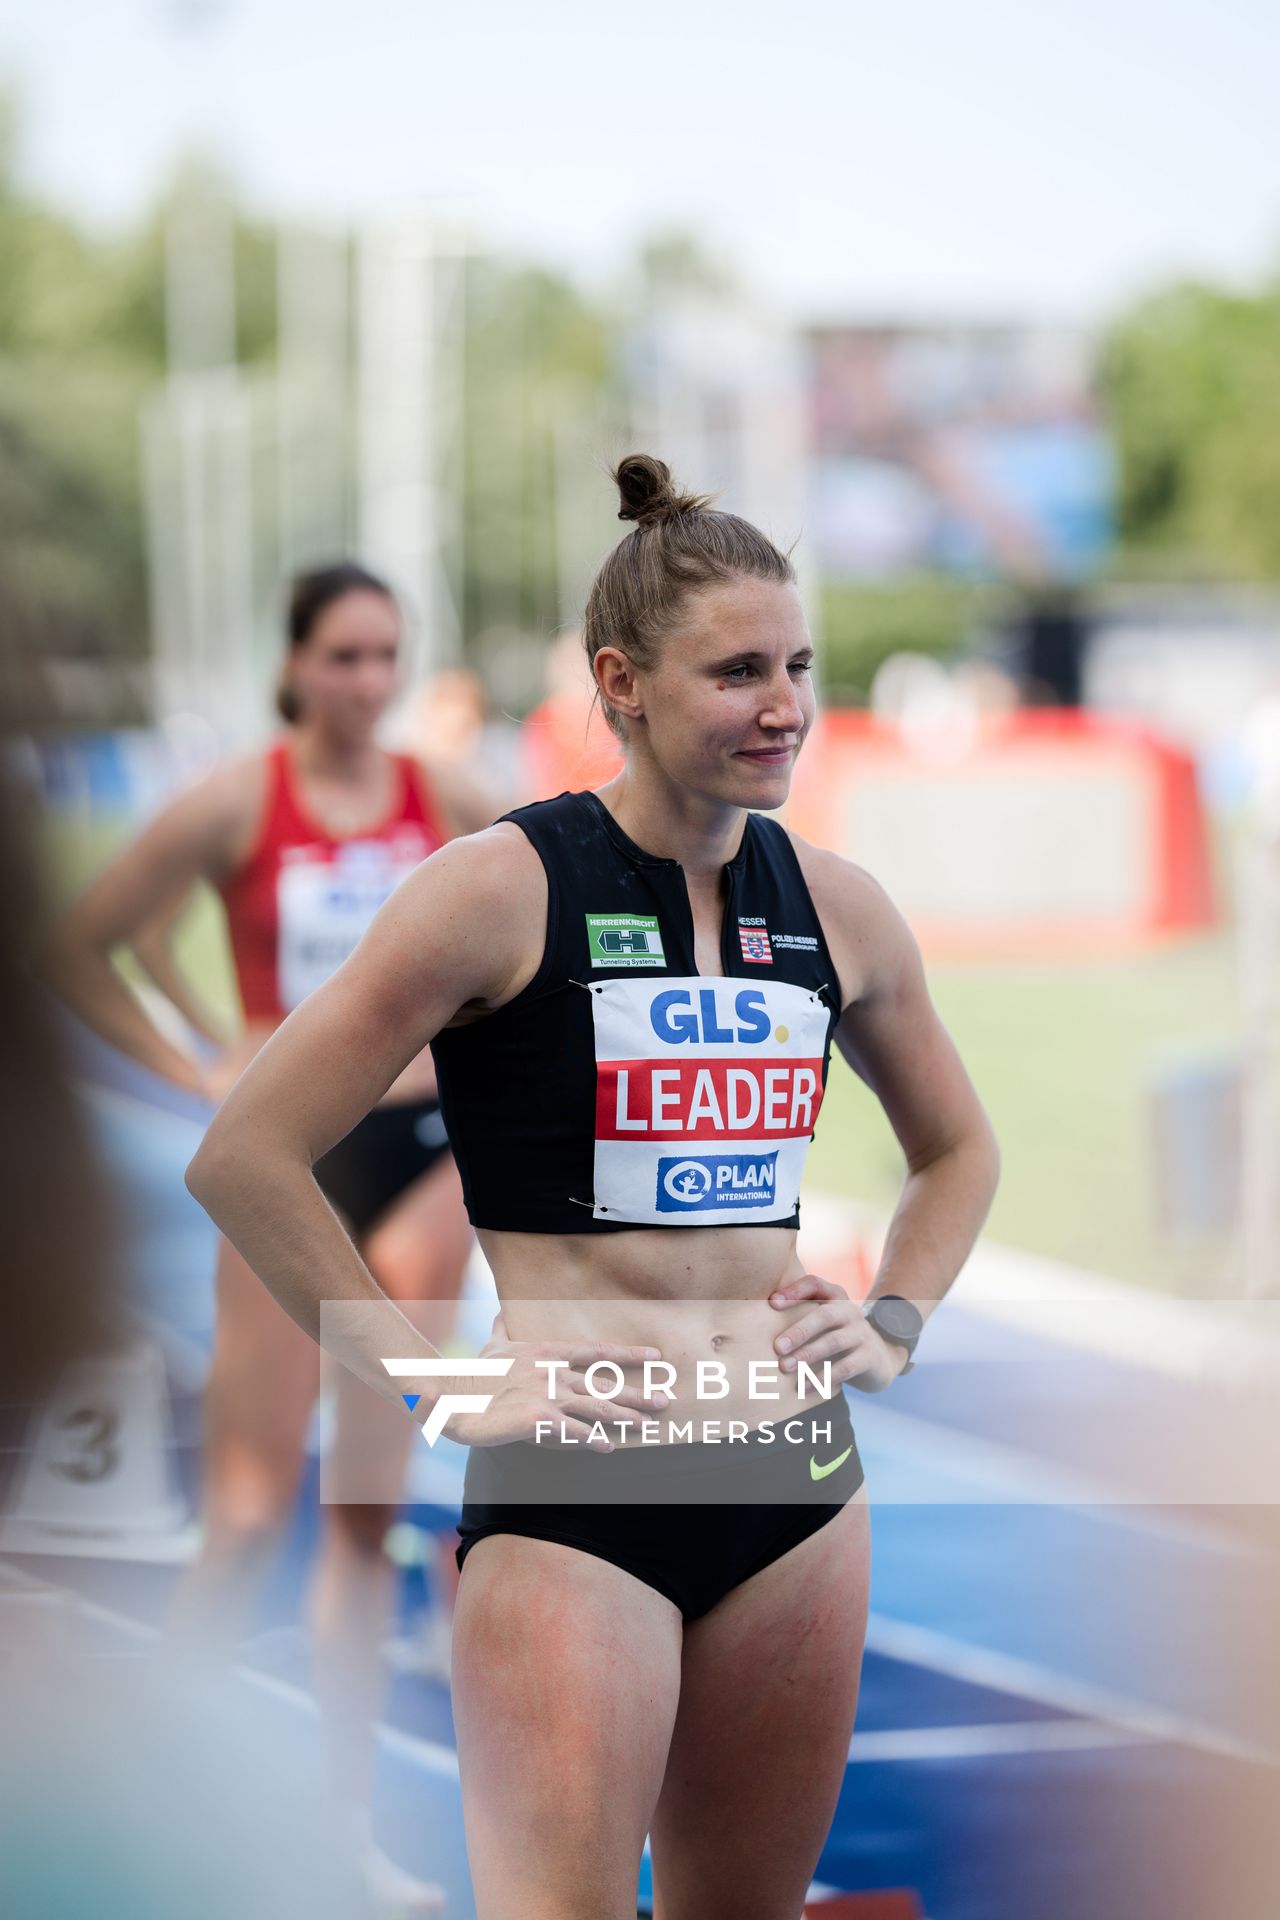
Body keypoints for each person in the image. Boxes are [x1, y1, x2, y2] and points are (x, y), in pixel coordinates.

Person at [187, 460, 1001, 1920]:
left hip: (796, 1491)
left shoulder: (839, 903)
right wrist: (426, 1374)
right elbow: (245, 1151)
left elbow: (959, 1148)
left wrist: (895, 1320)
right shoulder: (498, 889)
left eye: (799, 666)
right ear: (621, 682)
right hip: (580, 1492)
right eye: (739, 669)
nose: (785, 706)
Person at [44, 560, 493, 1911]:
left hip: (421, 1154)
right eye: (344, 657)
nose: (367, 682)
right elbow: (77, 945)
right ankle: (136, 1829)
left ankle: (346, 1838)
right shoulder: (242, 798)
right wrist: (194, 1065)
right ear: (294, 667)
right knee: (244, 1519)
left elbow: (541, 940)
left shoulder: (448, 803)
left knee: (365, 1517)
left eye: (386, 656)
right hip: (288, 1156)